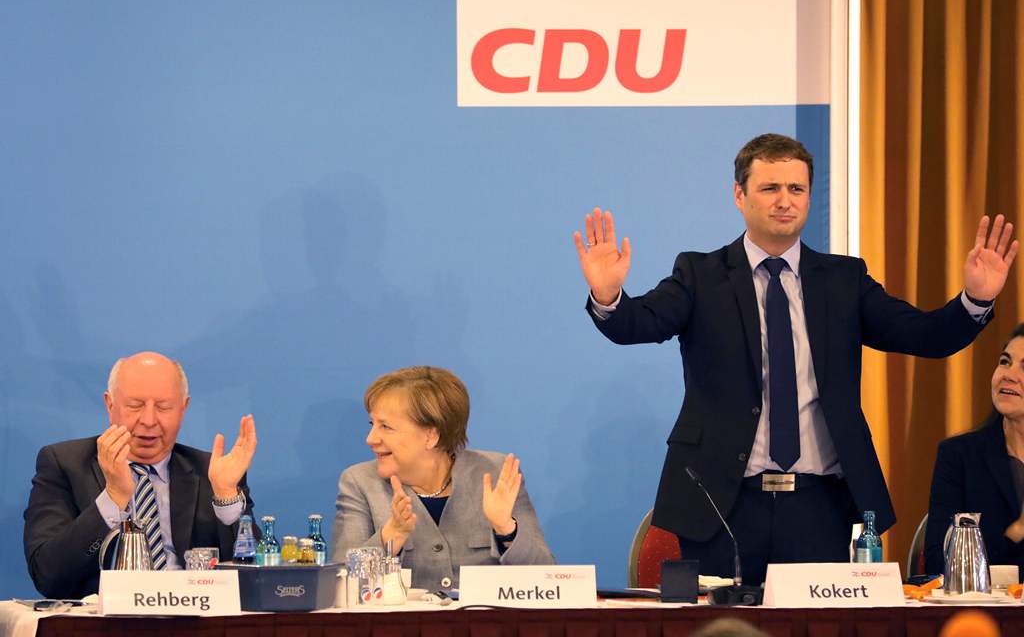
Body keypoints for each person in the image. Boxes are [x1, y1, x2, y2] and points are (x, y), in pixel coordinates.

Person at [573, 133, 1019, 584]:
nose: (785, 201)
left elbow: (925, 335)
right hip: (722, 506)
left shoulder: (844, 279)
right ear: (739, 195)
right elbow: (637, 324)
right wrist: (608, 294)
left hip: (822, 506)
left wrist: (974, 301)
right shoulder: (700, 275)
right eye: (770, 188)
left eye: (796, 189)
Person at [23, 351, 258, 598]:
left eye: (164, 407)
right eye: (135, 406)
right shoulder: (65, 464)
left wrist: (226, 498)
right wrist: (113, 498)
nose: (148, 420)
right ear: (110, 405)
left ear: (183, 408)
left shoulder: (212, 472)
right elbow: (47, 575)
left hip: (193, 619)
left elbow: (253, 578)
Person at [330, 366, 553, 592]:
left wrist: (506, 529)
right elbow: (340, 584)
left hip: (482, 625)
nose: (370, 439)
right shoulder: (359, 483)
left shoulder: (494, 474)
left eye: (385, 427)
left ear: (431, 436)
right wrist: (391, 536)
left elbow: (546, 579)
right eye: (372, 425)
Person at [925, 323, 1024, 574]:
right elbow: (939, 562)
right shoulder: (959, 456)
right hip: (985, 610)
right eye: (1005, 361)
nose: (1008, 375)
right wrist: (1017, 531)